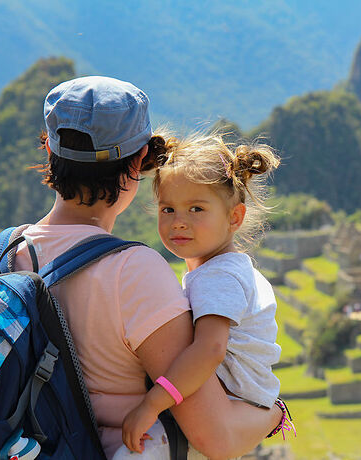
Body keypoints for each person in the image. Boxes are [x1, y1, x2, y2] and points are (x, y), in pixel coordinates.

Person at [0, 76, 282, 459]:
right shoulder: (134, 272)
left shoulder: (3, 253)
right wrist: (273, 412)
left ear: (50, 152)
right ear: (140, 161)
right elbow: (216, 438)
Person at [116, 133, 295, 458]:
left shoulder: (218, 276)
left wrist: (152, 404)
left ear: (234, 218)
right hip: (236, 404)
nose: (178, 222)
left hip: (231, 406)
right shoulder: (222, 269)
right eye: (168, 209)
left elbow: (210, 348)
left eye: (196, 208)